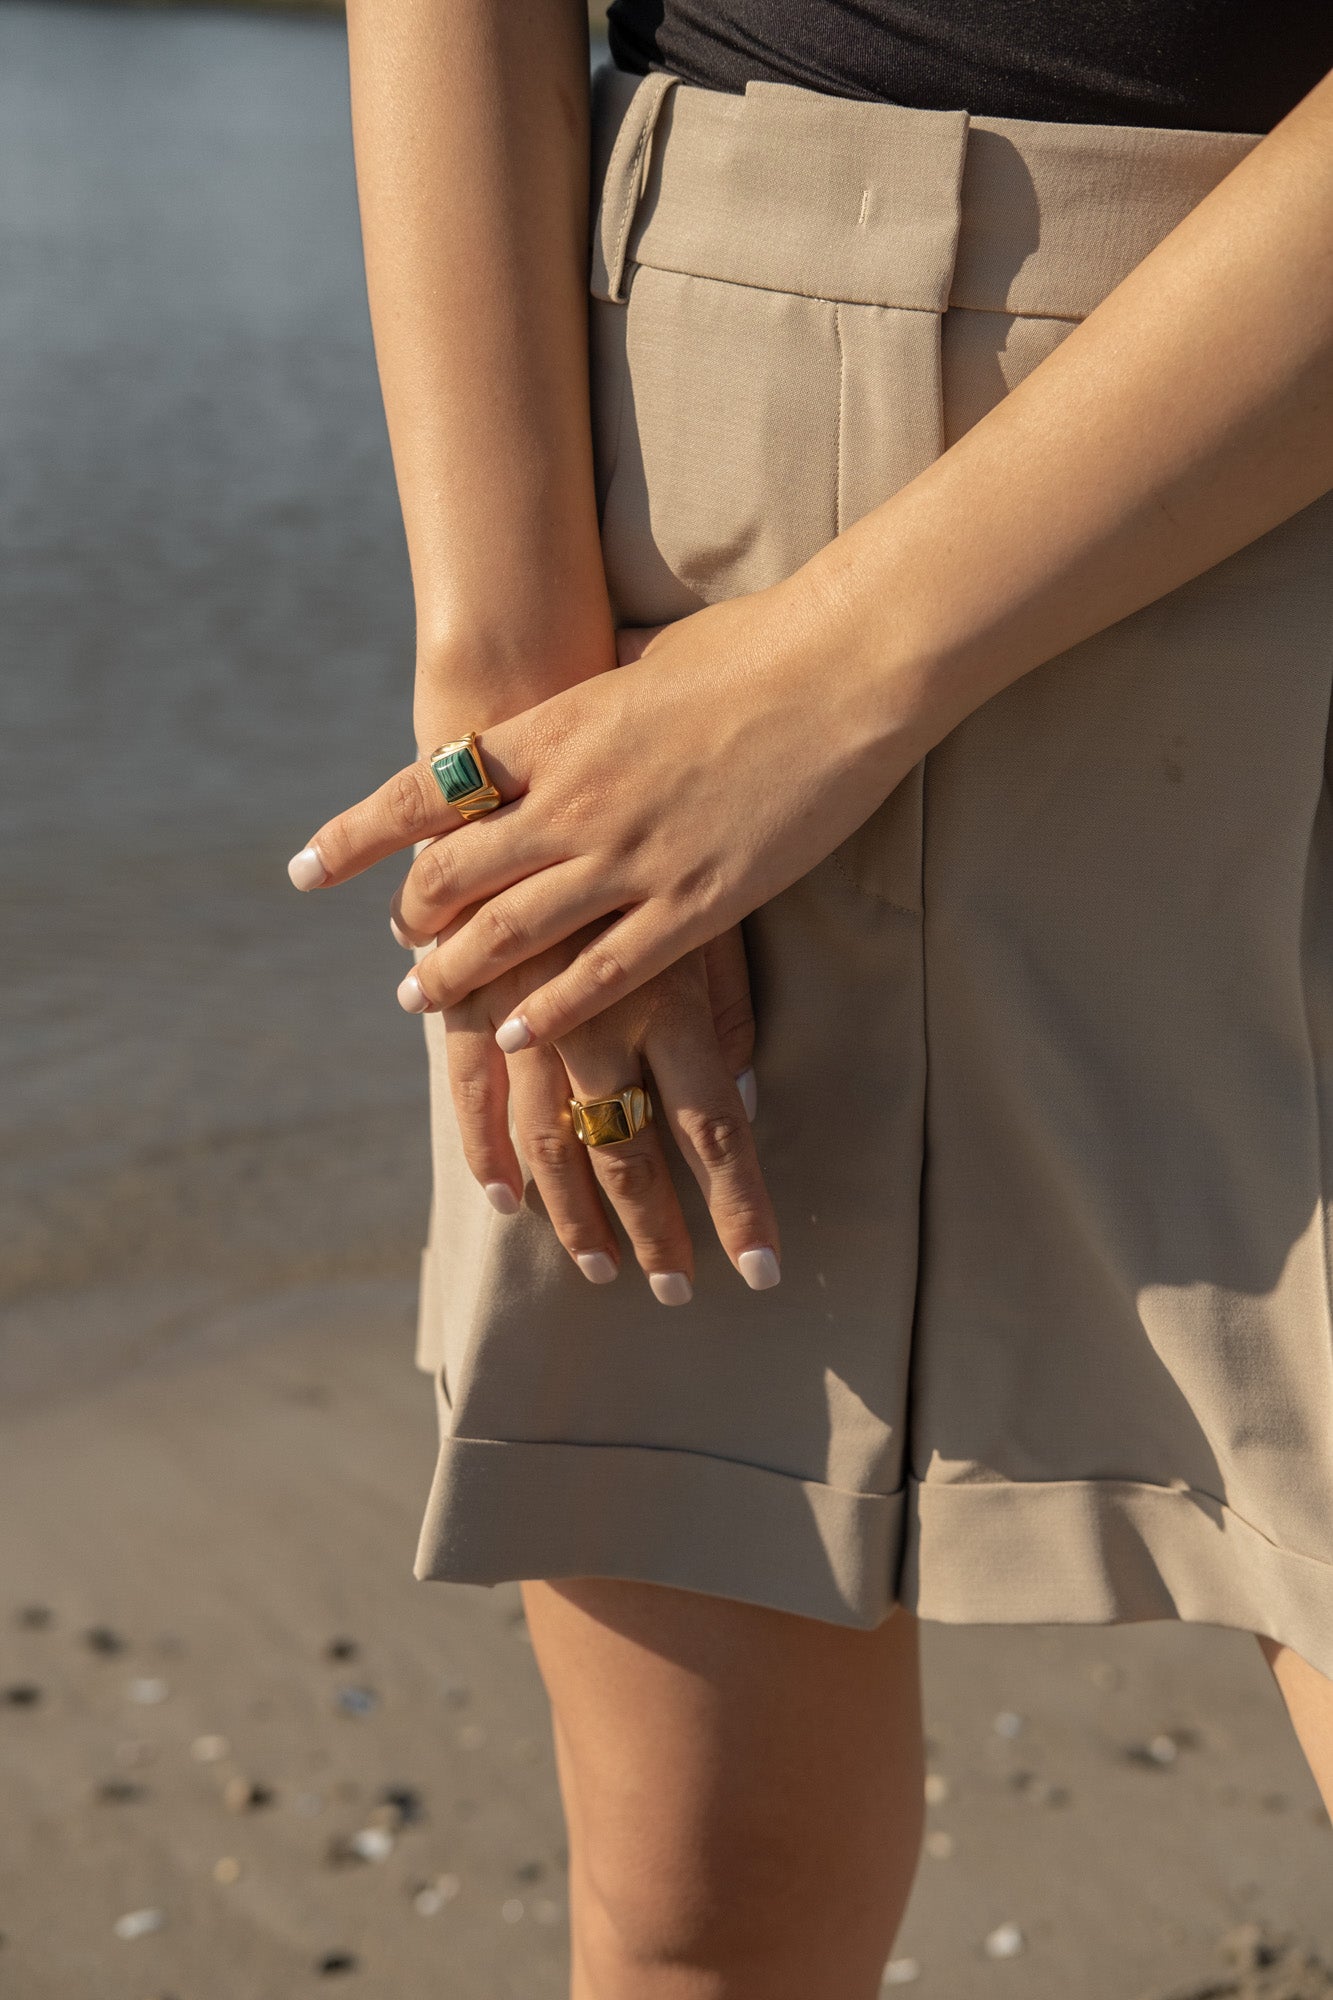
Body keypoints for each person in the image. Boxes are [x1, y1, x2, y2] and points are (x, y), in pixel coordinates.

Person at [288, 3, 1333, 1991]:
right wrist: (511, 721)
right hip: (684, 478)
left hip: (1282, 431)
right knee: (702, 1898)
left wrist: (820, 685)